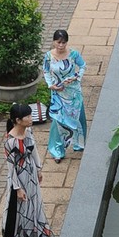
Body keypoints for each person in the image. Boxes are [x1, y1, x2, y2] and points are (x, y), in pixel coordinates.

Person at [2, 104, 53, 237]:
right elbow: (11, 168)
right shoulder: (10, 142)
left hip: (31, 176)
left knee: (36, 207)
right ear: (18, 120)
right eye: (28, 117)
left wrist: (38, 168)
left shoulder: (28, 131)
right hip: (20, 179)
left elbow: (34, 150)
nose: (31, 119)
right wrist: (18, 188)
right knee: (21, 212)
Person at [42, 30, 86, 160]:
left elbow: (83, 66)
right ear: (54, 41)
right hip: (58, 92)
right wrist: (51, 85)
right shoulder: (48, 56)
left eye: (63, 42)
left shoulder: (73, 54)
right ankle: (57, 150)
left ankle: (79, 143)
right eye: (58, 42)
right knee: (58, 121)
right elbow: (45, 70)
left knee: (78, 116)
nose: (61, 45)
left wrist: (76, 77)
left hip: (73, 91)